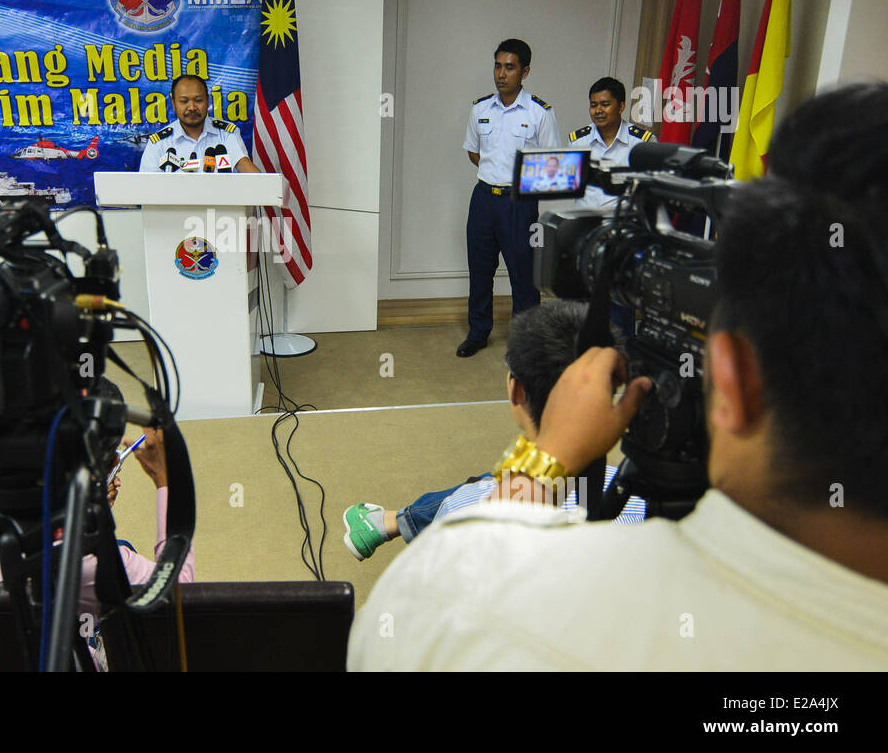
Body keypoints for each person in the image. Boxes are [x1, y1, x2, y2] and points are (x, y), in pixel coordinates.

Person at [350, 83, 888, 670]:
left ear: (730, 382)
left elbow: (399, 628)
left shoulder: (460, 591)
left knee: (477, 488)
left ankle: (390, 520)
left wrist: (548, 455)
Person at [342, 300, 645, 561]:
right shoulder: (646, 501)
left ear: (516, 391)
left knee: (480, 484)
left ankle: (386, 522)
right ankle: (386, 522)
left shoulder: (464, 518)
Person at [0, 425, 195, 632]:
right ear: (110, 464)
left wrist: (81, 511)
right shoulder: (88, 559)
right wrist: (166, 479)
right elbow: (179, 592)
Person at [459, 39, 561, 357]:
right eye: (498, 65)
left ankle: (526, 341)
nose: (501, 74)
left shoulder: (540, 113)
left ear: (525, 71)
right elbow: (475, 154)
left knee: (524, 276)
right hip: (484, 200)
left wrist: (513, 183)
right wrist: (497, 178)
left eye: (510, 67)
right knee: (480, 271)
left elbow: (551, 162)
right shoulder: (480, 109)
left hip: (520, 203)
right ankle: (478, 332)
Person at [138, 74, 261, 173]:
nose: (191, 107)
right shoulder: (159, 143)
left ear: (207, 101)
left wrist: (264, 185)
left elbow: (244, 166)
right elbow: (146, 189)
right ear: (174, 103)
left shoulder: (226, 134)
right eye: (184, 101)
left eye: (198, 100)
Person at [568, 77, 655, 209]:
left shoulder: (642, 143)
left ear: (621, 107)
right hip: (585, 221)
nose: (598, 111)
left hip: (624, 222)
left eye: (605, 104)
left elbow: (651, 189)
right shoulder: (578, 142)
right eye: (593, 105)